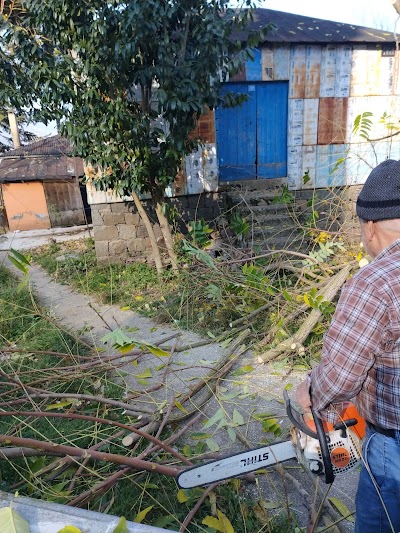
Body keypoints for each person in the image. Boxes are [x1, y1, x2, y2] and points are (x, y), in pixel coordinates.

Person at [296, 159, 400, 533]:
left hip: (394, 445)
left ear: (370, 226)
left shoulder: (374, 283)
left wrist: (312, 391)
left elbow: (340, 376)